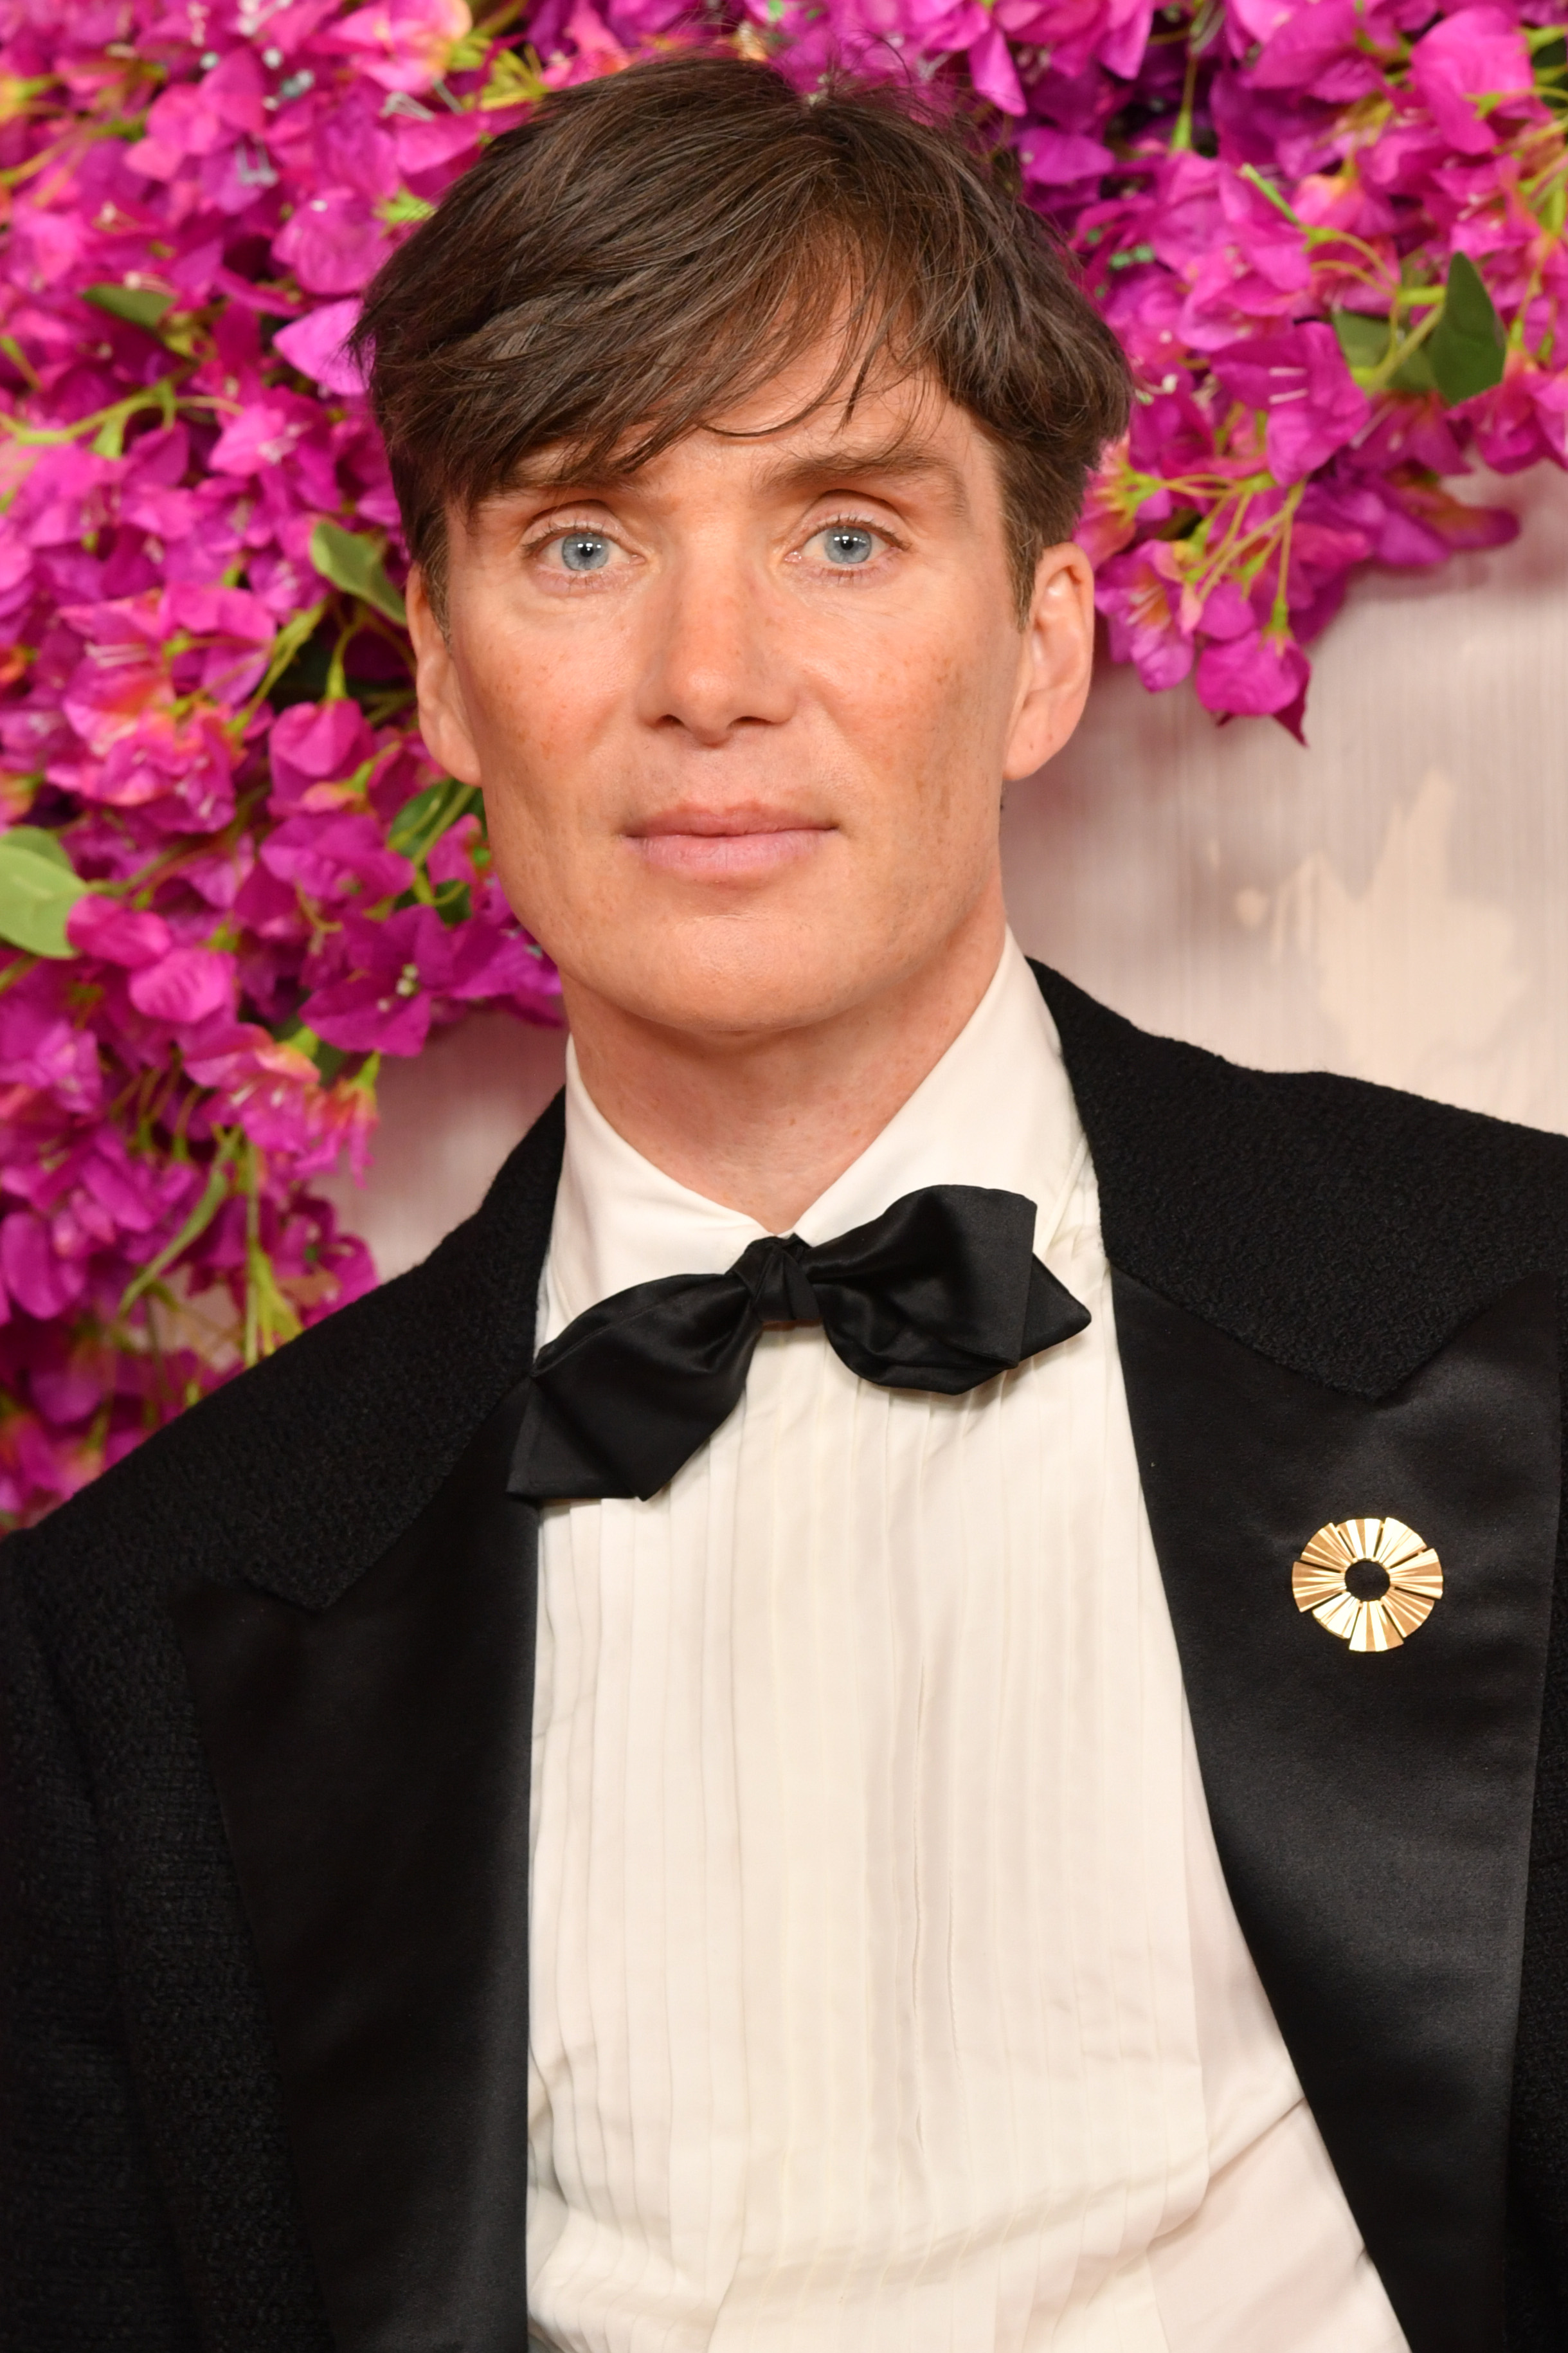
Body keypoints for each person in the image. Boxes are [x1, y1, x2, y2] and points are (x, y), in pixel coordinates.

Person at [3, 51, 1567, 2353]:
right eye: (582, 545)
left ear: (1041, 646)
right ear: (438, 675)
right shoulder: (125, 1637)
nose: (709, 684)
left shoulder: (1526, 1316)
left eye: (846, 535)